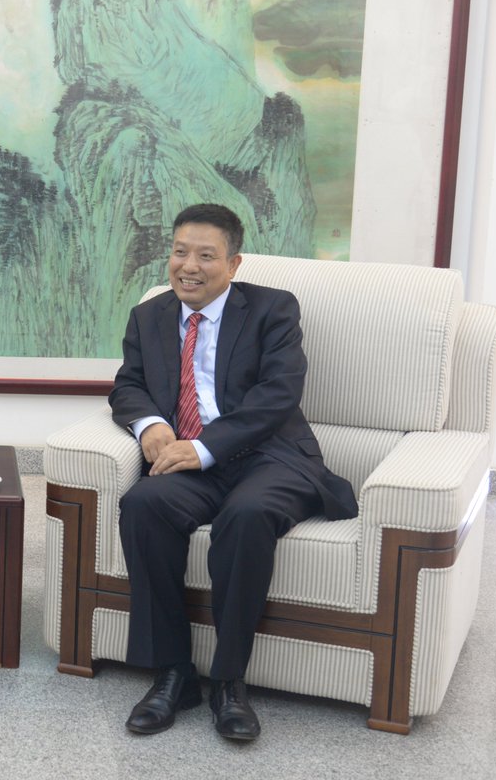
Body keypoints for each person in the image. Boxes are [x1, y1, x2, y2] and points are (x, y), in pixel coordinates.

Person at [110, 203, 357, 741]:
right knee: (143, 504)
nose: (188, 266)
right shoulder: (149, 315)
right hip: (190, 462)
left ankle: (228, 681)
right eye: (180, 252)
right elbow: (127, 385)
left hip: (270, 457)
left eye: (205, 255)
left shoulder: (273, 309)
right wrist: (151, 425)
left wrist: (205, 448)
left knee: (246, 515)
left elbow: (278, 394)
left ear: (233, 263)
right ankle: (173, 673)